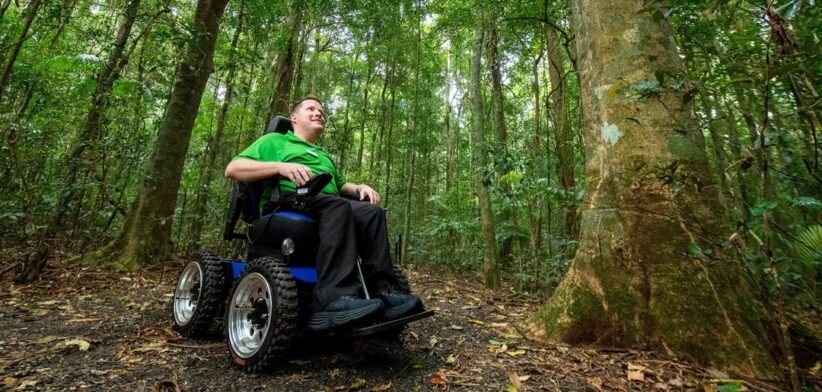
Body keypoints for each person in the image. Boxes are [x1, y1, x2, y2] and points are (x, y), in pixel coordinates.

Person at [224, 95, 422, 331]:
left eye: (321, 111)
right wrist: (280, 166)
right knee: (337, 206)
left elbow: (339, 187)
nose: (319, 113)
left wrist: (359, 187)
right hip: (285, 204)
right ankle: (333, 299)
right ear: (294, 118)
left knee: (372, 213)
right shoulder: (275, 141)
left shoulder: (324, 156)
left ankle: (384, 291)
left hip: (324, 203)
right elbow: (233, 168)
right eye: (311, 109)